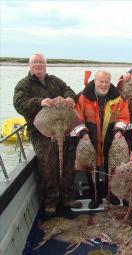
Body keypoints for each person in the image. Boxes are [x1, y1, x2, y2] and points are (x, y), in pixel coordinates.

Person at [13, 53, 82, 216]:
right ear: (29, 65)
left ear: (45, 65)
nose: (38, 65)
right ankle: (51, 202)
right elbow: (19, 104)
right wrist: (40, 102)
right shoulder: (23, 85)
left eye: (41, 62)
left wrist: (71, 99)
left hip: (64, 128)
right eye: (35, 62)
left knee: (67, 163)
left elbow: (69, 91)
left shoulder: (54, 80)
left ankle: (68, 197)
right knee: (48, 166)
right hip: (41, 132)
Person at [74, 70, 130, 209]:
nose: (104, 85)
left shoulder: (119, 98)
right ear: (95, 81)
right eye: (101, 81)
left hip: (111, 139)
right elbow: (75, 119)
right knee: (91, 168)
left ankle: (112, 194)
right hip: (89, 138)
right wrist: (82, 133)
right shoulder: (82, 97)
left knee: (112, 168)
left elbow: (124, 117)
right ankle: (95, 196)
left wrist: (118, 130)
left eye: (107, 82)